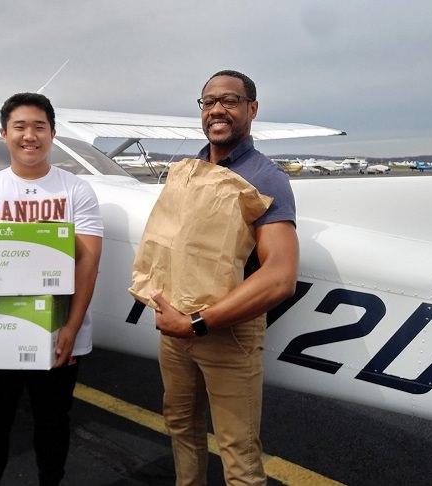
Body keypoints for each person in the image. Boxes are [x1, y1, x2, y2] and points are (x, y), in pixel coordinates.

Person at [150, 70, 299, 485]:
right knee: (180, 424)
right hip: (175, 328)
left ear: (252, 109)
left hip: (226, 333)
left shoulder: (266, 178)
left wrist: (196, 322)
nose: (217, 109)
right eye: (208, 101)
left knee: (238, 452)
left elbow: (280, 277)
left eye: (230, 101)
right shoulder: (190, 170)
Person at [0, 92, 103, 486]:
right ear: (4, 134)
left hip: (56, 334)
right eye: (19, 127)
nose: (29, 136)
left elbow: (87, 262)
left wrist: (71, 327)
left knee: (52, 425)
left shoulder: (76, 191)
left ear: (52, 133)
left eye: (39, 127)